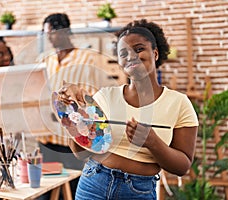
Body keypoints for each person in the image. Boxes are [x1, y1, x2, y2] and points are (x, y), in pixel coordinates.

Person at [57, 19, 199, 199]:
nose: (131, 56)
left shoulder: (179, 103)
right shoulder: (105, 96)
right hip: (93, 184)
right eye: (123, 53)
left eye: (139, 49)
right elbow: (81, 153)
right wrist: (74, 122)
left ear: (155, 53)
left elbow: (182, 166)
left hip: (138, 192)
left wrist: (152, 142)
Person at [37, 13, 104, 199]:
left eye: (51, 32)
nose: (48, 37)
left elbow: (92, 95)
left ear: (65, 31)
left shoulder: (87, 58)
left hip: (73, 138)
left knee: (74, 188)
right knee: (47, 190)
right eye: (46, 33)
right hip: (46, 136)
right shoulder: (44, 59)